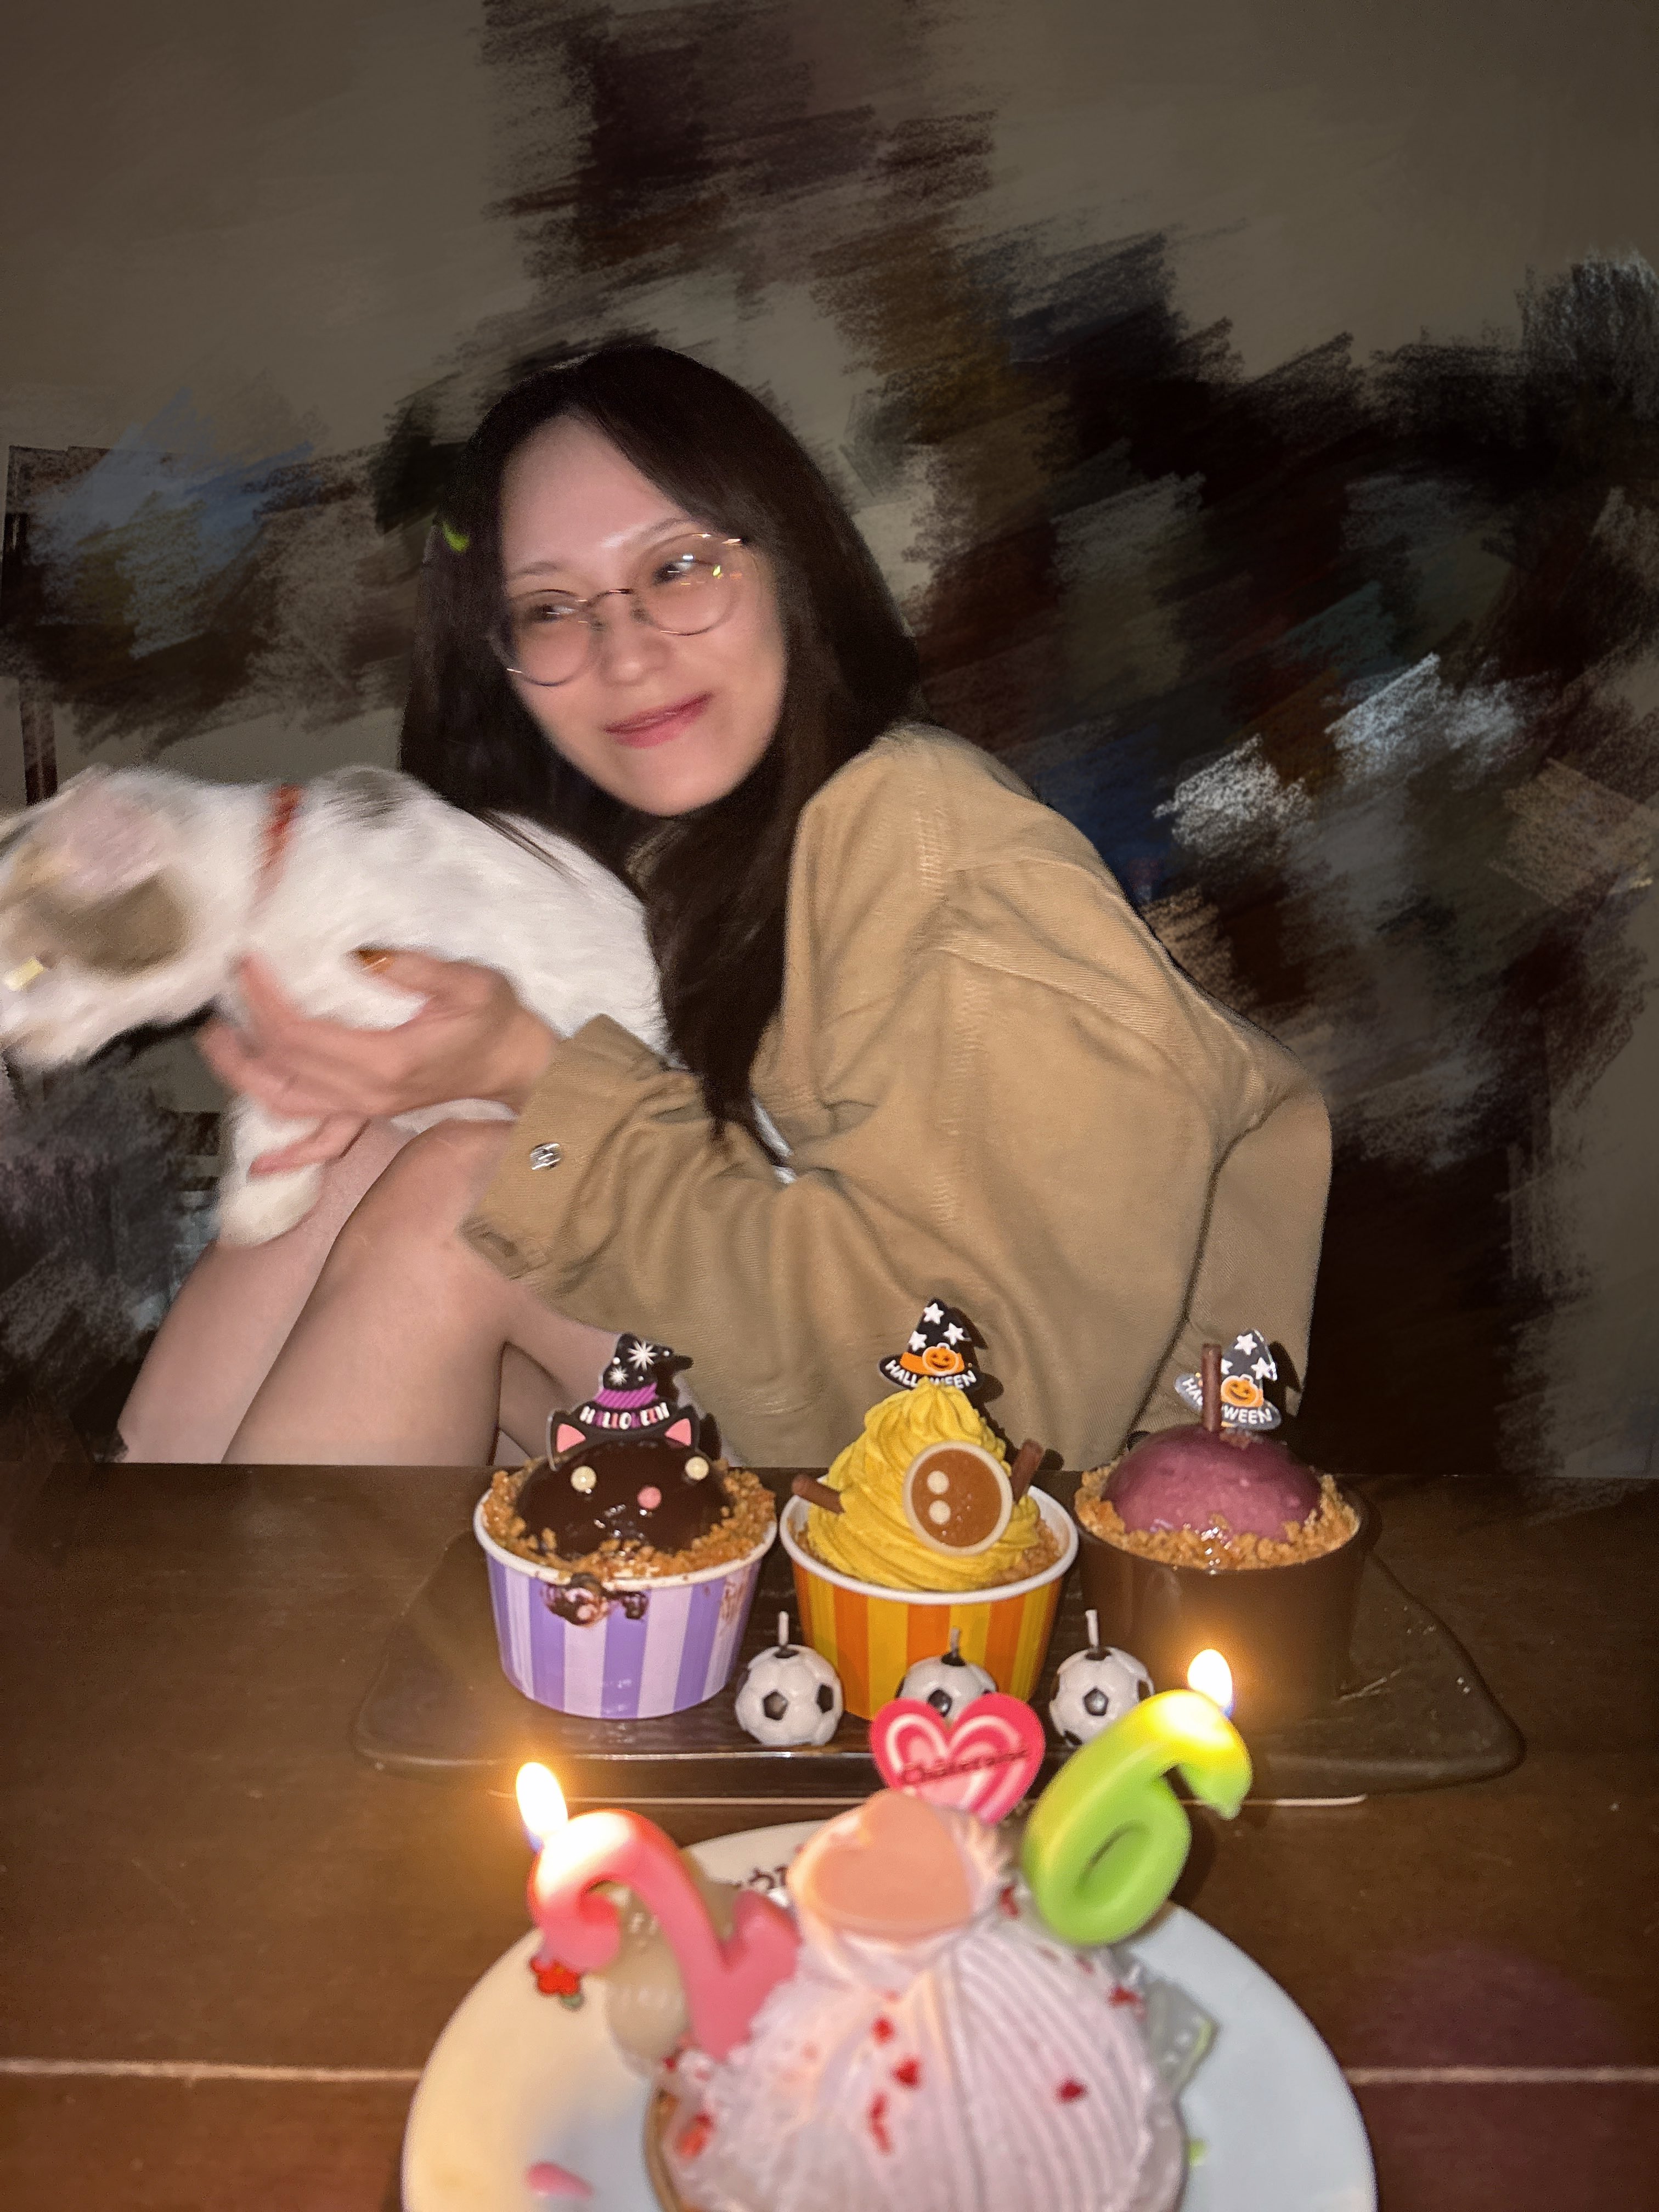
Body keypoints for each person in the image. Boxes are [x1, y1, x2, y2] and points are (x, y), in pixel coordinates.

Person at [117, 346, 1330, 1470]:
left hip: (1020, 1548)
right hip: (803, 1460)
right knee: (364, 1158)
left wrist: (536, 1082)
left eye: (676, 567)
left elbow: (991, 1413)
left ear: (790, 564)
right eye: (551, 608)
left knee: (466, 1189)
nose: (624, 651)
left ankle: (235, 1627)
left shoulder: (935, 840)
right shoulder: (659, 871)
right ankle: (141, 1571)